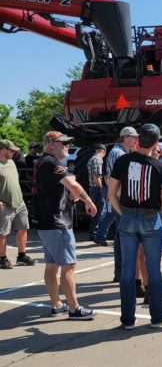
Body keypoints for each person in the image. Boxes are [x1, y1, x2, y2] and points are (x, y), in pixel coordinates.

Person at [108, 123, 162, 329]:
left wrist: (123, 213)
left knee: (127, 270)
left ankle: (127, 319)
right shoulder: (160, 166)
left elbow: (111, 193)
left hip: (127, 217)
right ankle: (158, 317)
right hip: (150, 218)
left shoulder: (123, 161)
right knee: (154, 270)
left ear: (137, 140)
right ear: (156, 142)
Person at [33, 131, 97, 319]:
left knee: (51, 264)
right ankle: (74, 308)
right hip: (57, 222)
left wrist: (72, 191)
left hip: (46, 222)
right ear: (51, 144)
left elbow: (68, 183)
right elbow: (74, 185)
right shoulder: (51, 163)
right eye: (63, 143)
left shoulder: (43, 162)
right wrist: (89, 201)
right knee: (68, 265)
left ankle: (57, 304)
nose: (67, 146)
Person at [95, 127, 139, 286]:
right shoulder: (118, 153)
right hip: (121, 199)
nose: (136, 140)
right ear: (125, 137)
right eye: (133, 137)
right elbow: (115, 180)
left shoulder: (120, 152)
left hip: (120, 198)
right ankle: (121, 273)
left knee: (122, 235)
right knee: (123, 236)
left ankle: (120, 273)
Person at [0, 139, 36, 269]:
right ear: (3, 150)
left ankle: (22, 256)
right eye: (12, 150)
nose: (15, 153)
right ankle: (2, 259)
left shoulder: (11, 163)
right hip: (4, 204)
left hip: (19, 202)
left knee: (23, 228)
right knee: (3, 233)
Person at [86, 143, 106, 242]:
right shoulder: (97, 160)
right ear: (103, 151)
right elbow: (96, 175)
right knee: (99, 212)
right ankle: (94, 234)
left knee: (95, 211)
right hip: (97, 189)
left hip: (92, 188)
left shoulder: (91, 159)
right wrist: (102, 187)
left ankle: (93, 233)